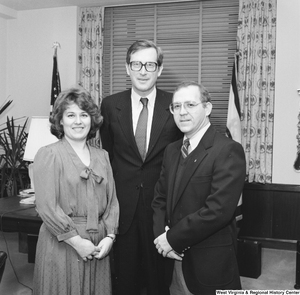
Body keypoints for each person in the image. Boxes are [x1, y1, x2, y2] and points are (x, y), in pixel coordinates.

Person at [100, 39, 182, 295]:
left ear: (159, 69)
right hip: (123, 206)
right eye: (136, 64)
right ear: (127, 68)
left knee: (159, 280)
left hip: (161, 207)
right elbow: (109, 154)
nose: (143, 70)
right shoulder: (111, 105)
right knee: (124, 279)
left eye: (150, 64)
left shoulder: (176, 104)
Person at [152, 81, 246, 295]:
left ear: (208, 108)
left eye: (190, 105)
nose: (182, 112)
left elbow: (218, 211)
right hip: (170, 259)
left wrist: (172, 238)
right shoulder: (171, 150)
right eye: (176, 106)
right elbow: (160, 198)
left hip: (208, 265)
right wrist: (161, 239)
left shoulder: (228, 150)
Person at [32, 87, 119, 295]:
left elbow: (112, 201)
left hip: (98, 244)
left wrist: (110, 236)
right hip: (63, 243)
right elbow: (46, 207)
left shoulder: (102, 156)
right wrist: (77, 242)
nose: (78, 121)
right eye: (71, 115)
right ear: (60, 120)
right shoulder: (48, 154)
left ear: (92, 120)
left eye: (84, 115)